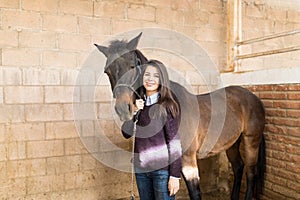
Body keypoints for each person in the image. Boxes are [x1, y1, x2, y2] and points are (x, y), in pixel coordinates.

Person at [121, 60, 182, 200]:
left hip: (162, 172)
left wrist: (174, 176)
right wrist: (135, 111)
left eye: (155, 76)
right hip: (141, 171)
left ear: (161, 80)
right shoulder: (139, 105)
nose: (150, 79)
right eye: (147, 74)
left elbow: (174, 144)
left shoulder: (167, 106)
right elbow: (125, 133)